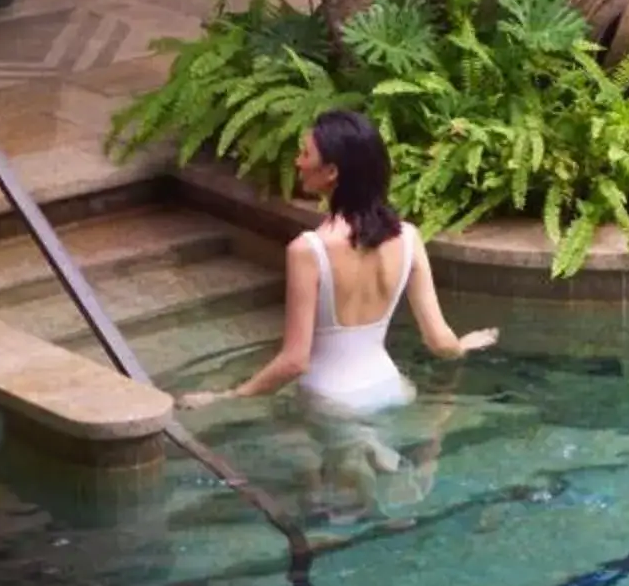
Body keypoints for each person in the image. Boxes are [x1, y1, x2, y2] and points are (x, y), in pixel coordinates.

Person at [178, 110, 496, 416]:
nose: (297, 163)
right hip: (391, 388)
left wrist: (228, 396)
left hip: (332, 399)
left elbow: (294, 361)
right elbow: (439, 341)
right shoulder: (409, 237)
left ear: (331, 172)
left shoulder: (308, 250)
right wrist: (464, 346)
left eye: (305, 154)